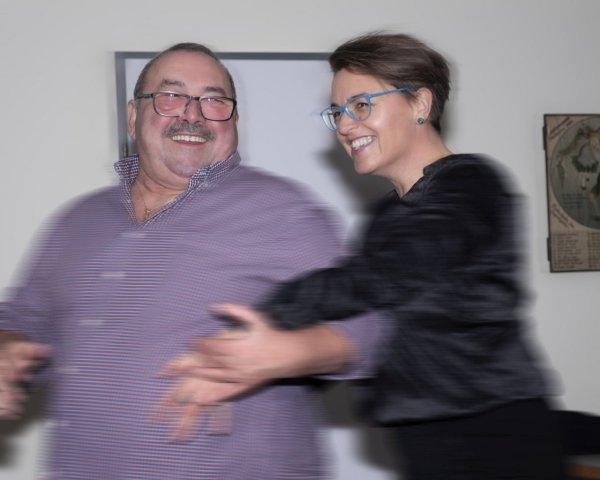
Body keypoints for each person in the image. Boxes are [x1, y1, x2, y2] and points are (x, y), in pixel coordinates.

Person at [179, 33, 566, 479]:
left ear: (420, 102)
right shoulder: (389, 212)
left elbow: (380, 278)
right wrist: (261, 362)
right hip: (426, 442)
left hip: (491, 438)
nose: (345, 126)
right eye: (337, 112)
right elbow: (373, 328)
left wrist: (264, 318)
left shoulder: (471, 185)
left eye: (361, 106)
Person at [0, 42, 385, 479]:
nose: (194, 114)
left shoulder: (281, 211)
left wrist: (287, 352)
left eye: (214, 100)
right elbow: (25, 318)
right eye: (171, 96)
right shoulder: (78, 220)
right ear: (133, 116)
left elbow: (371, 328)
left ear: (234, 121)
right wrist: (8, 349)